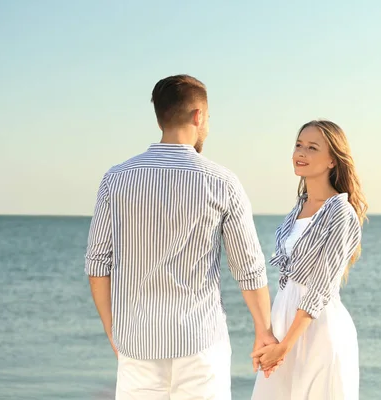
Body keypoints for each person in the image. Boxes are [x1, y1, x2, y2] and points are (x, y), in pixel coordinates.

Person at [84, 74, 277, 400]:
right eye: (208, 118)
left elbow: (97, 264)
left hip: (137, 344)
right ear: (198, 116)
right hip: (201, 345)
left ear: (160, 116)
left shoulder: (116, 180)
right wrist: (264, 330)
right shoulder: (222, 182)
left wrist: (112, 328)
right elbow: (248, 268)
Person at [251, 120, 367, 399]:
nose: (301, 153)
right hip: (283, 324)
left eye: (312, 148)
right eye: (299, 145)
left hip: (318, 331)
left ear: (331, 160)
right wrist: (269, 335)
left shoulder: (340, 213)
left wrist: (285, 346)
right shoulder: (298, 207)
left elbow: (321, 288)